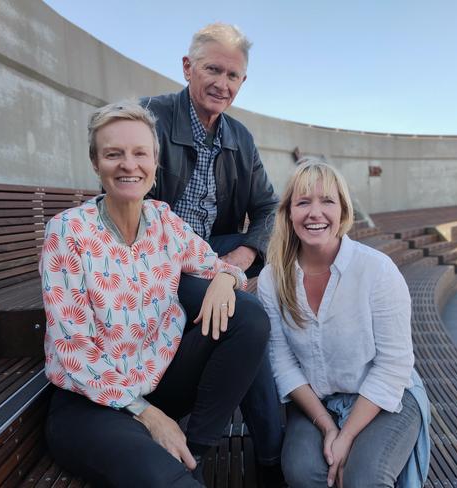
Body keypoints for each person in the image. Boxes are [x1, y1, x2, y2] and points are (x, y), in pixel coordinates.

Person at [40, 100, 271, 487]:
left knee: (249, 318)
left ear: (155, 162)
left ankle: (194, 448)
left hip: (160, 381)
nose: (129, 165)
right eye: (114, 154)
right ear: (96, 163)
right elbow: (74, 348)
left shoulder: (162, 220)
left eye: (139, 153)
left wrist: (226, 279)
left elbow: (221, 265)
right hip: (94, 404)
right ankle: (176, 464)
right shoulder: (67, 232)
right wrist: (149, 416)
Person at [141, 22, 284, 485]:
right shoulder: (151, 117)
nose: (223, 83)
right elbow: (130, 203)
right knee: (247, 315)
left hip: (217, 250)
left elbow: (266, 206)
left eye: (234, 75)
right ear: (188, 67)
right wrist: (218, 275)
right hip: (159, 255)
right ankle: (253, 455)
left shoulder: (239, 137)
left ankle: (265, 455)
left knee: (247, 311)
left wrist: (239, 259)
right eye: (212, 69)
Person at [256, 159, 431, 488]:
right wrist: (327, 427)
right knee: (303, 473)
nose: (315, 213)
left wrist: (346, 435)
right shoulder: (272, 278)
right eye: (303, 202)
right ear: (288, 213)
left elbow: (394, 365)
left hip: (385, 397)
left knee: (364, 479)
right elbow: (281, 362)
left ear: (343, 211)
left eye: (327, 201)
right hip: (317, 401)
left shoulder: (377, 270)